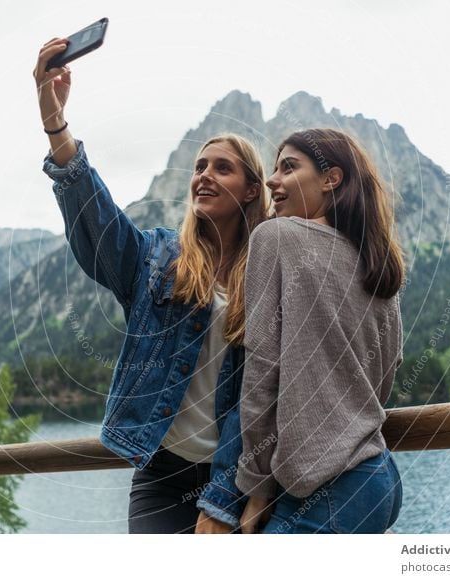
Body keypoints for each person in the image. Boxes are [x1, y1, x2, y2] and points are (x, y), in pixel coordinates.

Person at [33, 38, 272, 533]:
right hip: (160, 474)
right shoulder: (159, 258)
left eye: (221, 168)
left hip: (241, 476)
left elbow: (271, 395)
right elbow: (96, 218)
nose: (203, 176)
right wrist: (55, 122)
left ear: (252, 189)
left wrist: (232, 498)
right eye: (200, 167)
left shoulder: (271, 275)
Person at [236, 128, 406, 534]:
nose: (272, 180)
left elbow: (262, 368)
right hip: (376, 478)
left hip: (326, 491)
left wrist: (256, 489)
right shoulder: (377, 264)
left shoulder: (276, 236)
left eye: (288, 167)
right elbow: (383, 377)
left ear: (331, 179)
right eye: (273, 169)